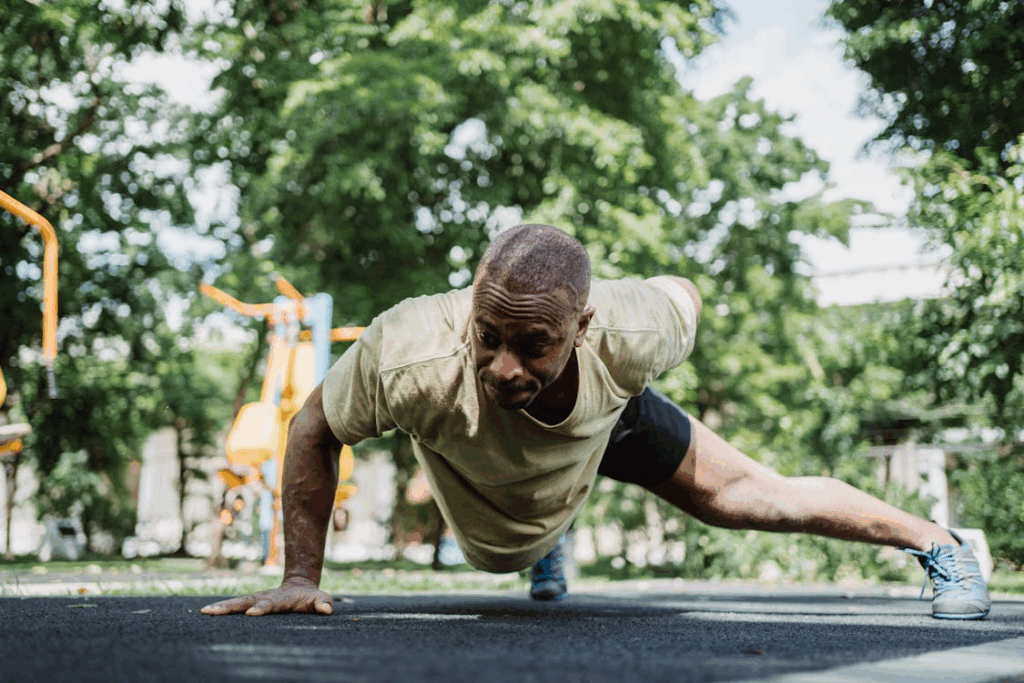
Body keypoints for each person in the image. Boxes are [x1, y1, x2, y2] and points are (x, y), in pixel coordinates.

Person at [202, 223, 990, 620]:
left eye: (532, 344)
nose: (503, 366)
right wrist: (301, 576)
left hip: (609, 416)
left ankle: (941, 544)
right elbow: (312, 428)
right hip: (485, 468)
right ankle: (552, 530)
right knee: (498, 554)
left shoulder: (630, 329)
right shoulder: (409, 353)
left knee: (749, 495)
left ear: (581, 326)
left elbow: (683, 294)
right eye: (488, 335)